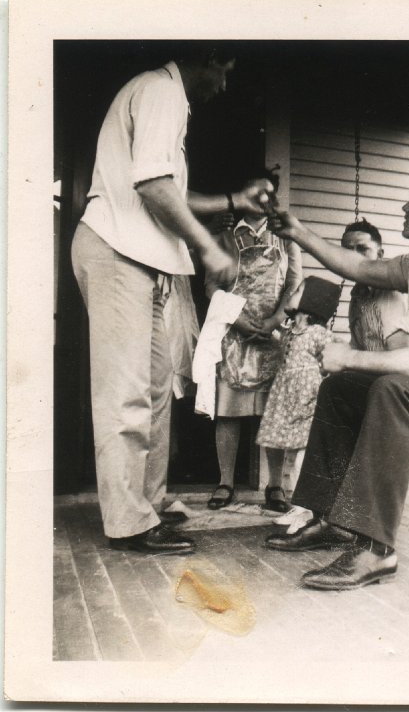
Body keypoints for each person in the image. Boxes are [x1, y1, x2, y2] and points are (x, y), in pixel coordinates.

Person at [71, 44, 274, 554]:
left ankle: (150, 505)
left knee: (160, 388)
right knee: (127, 390)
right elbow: (154, 188)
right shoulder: (162, 90)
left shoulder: (167, 101)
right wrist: (208, 247)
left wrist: (233, 201)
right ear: (206, 58)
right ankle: (128, 523)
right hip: (118, 249)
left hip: (146, 258)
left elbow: (172, 194)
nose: (223, 85)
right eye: (224, 70)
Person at [265, 165, 409, 590]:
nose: (404, 206)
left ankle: (377, 549)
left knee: (392, 390)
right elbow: (358, 268)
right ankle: (331, 519)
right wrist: (299, 232)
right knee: (343, 389)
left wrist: (349, 356)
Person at [204, 179, 303, 512]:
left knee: (271, 414)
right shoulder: (224, 237)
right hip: (235, 335)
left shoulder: (286, 238)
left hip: (273, 335)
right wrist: (238, 319)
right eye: (257, 193)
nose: (264, 200)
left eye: (269, 194)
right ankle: (225, 483)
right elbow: (211, 287)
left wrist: (276, 320)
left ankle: (274, 486)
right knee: (229, 413)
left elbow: (295, 284)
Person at [256, 276, 341, 527]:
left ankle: (305, 506)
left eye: (299, 290)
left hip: (306, 399)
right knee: (286, 447)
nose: (292, 293)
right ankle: (296, 504)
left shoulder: (317, 333)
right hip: (285, 397)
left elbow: (333, 358)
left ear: (312, 300)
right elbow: (283, 346)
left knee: (303, 451)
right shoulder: (291, 331)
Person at [342, 218, 409, 352]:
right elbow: (358, 347)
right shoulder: (358, 293)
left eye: (362, 249)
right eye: (347, 250)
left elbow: (400, 358)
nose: (353, 256)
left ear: (379, 255)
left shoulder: (390, 292)